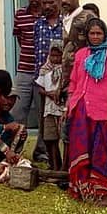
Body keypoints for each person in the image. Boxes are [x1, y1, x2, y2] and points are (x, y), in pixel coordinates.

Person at [66, 18, 107, 205]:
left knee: (102, 150)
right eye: (92, 33)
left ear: (104, 34)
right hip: (81, 109)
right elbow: (73, 82)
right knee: (80, 147)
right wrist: (69, 105)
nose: (95, 37)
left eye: (98, 33)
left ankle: (103, 193)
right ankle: (83, 190)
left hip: (104, 110)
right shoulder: (81, 54)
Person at [32, 0, 63, 161]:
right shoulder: (38, 25)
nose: (47, 6)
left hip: (63, 83)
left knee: (63, 122)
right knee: (45, 121)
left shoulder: (66, 24)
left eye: (51, 2)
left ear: (58, 1)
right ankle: (52, 160)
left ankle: (66, 162)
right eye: (45, 3)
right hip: (43, 81)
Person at [10, 0, 45, 131]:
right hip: (24, 70)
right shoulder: (20, 14)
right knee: (17, 111)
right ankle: (15, 143)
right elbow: (20, 38)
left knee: (42, 114)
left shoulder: (48, 15)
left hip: (43, 72)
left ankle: (42, 146)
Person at [35, 41, 65, 171]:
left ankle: (65, 166)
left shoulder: (67, 70)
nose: (55, 59)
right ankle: (54, 165)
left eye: (58, 56)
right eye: (53, 56)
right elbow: (40, 88)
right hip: (49, 109)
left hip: (63, 109)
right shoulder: (45, 69)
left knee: (65, 138)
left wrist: (59, 93)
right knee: (50, 139)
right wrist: (49, 93)